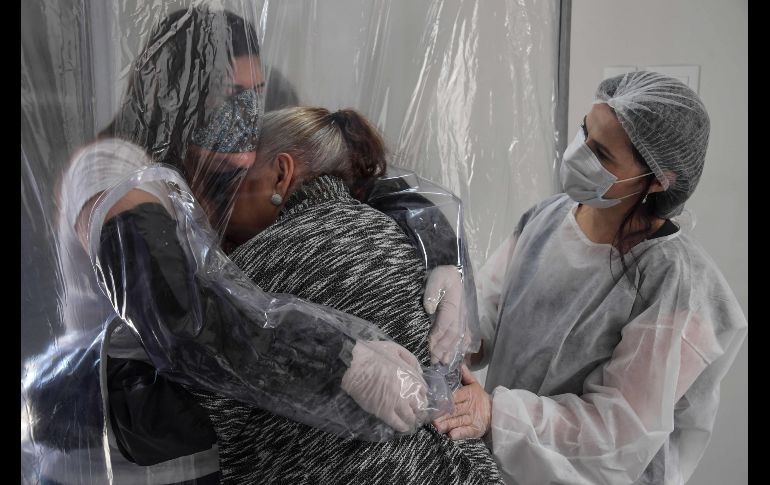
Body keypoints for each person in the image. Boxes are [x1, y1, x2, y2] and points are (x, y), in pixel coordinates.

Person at [21, 6, 445, 484]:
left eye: (253, 101)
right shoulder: (113, 170)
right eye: (229, 98)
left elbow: (354, 172)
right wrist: (338, 362)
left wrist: (441, 252)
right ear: (172, 94)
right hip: (111, 456)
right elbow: (180, 316)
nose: (244, 118)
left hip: (206, 457)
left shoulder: (219, 175)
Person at [432, 71, 748, 484]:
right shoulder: (545, 218)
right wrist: (451, 330)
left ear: (658, 180)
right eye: (585, 132)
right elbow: (485, 316)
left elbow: (617, 436)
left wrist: (495, 413)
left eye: (601, 153)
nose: (578, 153)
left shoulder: (676, 283)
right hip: (504, 465)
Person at [192, 106, 500, 484]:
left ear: (281, 174)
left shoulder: (252, 270)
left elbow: (201, 408)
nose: (213, 207)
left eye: (230, 183)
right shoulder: (396, 232)